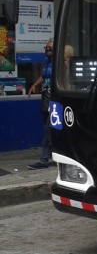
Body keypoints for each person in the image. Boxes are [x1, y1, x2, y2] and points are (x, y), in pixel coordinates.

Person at [27, 38, 54, 169]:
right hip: (45, 97)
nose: (47, 51)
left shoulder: (62, 63)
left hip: (55, 99)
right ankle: (53, 154)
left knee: (48, 129)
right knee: (49, 127)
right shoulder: (47, 62)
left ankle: (44, 160)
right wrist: (34, 85)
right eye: (46, 48)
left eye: (50, 49)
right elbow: (43, 76)